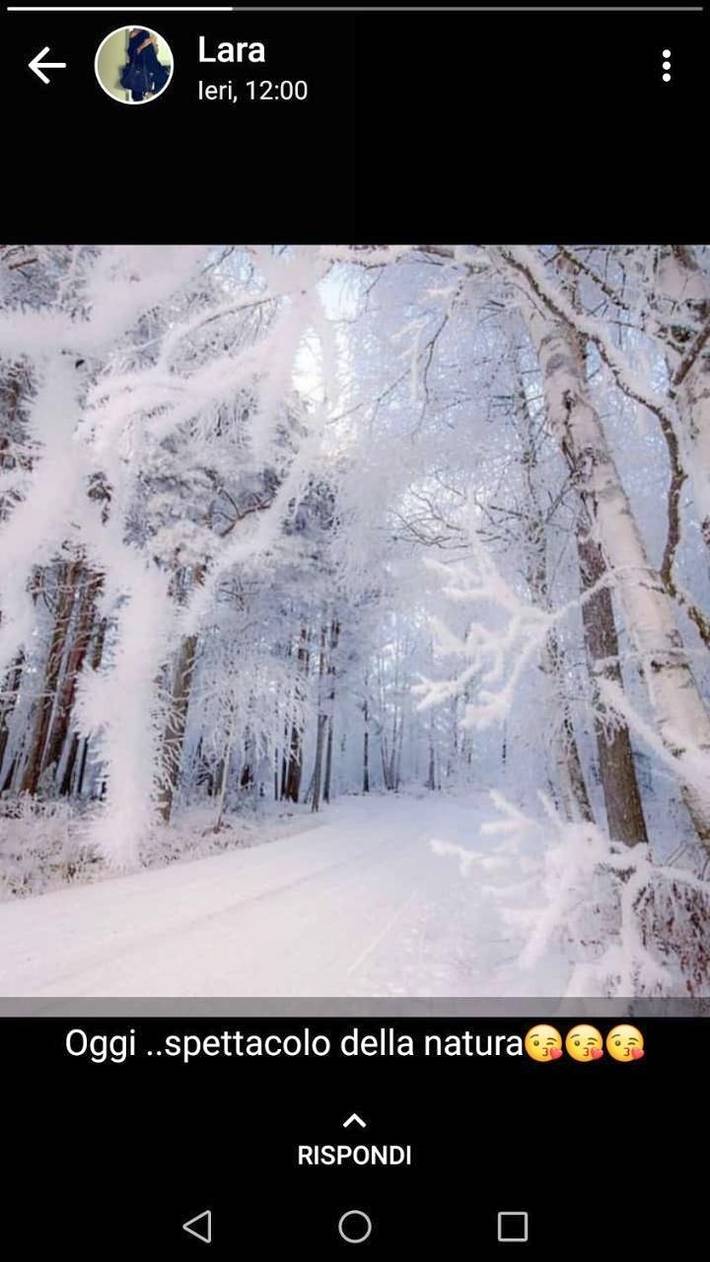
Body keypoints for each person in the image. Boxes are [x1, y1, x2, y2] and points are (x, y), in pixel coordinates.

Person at [120, 29, 170, 102]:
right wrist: (143, 45)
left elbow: (156, 51)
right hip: (139, 66)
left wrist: (153, 43)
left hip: (152, 62)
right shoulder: (130, 34)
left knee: (164, 79)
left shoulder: (150, 32)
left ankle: (151, 94)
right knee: (137, 90)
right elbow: (131, 53)